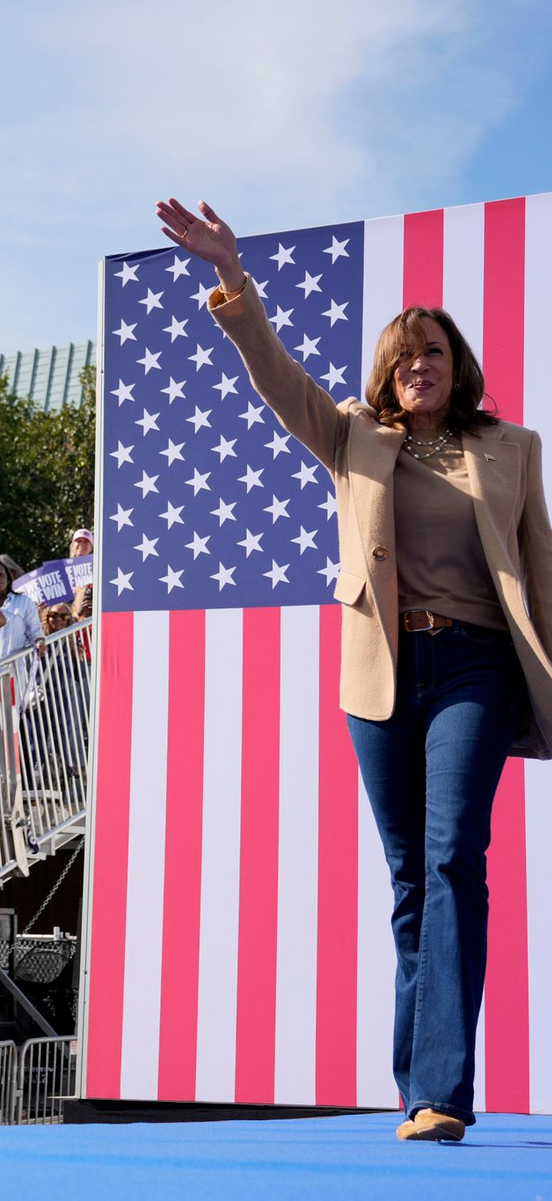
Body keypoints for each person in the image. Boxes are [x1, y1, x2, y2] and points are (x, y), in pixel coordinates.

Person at [157, 196, 552, 1142]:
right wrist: (231, 277)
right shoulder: (352, 435)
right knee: (411, 875)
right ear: (387, 372)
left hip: (475, 667)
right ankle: (419, 1084)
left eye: (434, 353)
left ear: (458, 367)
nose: (419, 367)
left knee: (455, 857)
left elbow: (541, 566)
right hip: (381, 673)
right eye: (404, 356)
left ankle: (443, 1090)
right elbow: (275, 372)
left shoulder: (511, 448)